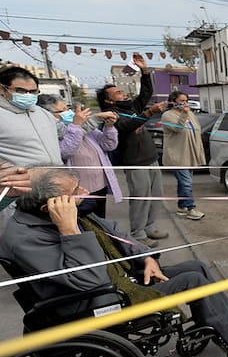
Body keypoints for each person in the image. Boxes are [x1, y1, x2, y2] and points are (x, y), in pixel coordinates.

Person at [0, 167, 228, 357]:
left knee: (196, 267)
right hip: (95, 303)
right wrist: (70, 231)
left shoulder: (58, 214)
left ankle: (226, 319)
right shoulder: (29, 237)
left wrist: (145, 256)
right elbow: (90, 281)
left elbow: (116, 232)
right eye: (75, 191)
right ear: (48, 206)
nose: (85, 191)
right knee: (192, 281)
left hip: (117, 278)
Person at [97, 54, 167, 247]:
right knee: (140, 199)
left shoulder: (132, 106)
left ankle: (150, 227)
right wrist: (150, 112)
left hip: (151, 158)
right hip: (135, 163)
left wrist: (144, 71)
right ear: (110, 101)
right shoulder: (111, 115)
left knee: (156, 196)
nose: (123, 93)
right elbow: (127, 125)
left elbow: (146, 92)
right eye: (118, 93)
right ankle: (138, 234)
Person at [37, 94, 122, 218]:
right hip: (77, 190)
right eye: (61, 111)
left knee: (100, 221)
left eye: (67, 108)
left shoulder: (85, 128)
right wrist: (77, 126)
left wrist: (109, 127)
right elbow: (66, 151)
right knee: (83, 222)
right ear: (47, 116)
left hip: (100, 185)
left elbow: (109, 145)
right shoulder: (52, 133)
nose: (68, 113)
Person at [0, 67, 61, 166]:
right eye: (20, 91)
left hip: (55, 177)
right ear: (2, 89)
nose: (28, 95)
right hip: (21, 179)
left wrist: (85, 122)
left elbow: (65, 133)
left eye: (33, 92)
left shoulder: (42, 113)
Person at [161, 91, 206, 220]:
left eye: (186, 100)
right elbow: (178, 128)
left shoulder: (190, 114)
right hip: (177, 155)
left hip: (190, 153)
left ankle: (182, 207)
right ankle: (191, 208)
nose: (185, 103)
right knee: (186, 183)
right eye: (181, 101)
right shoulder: (167, 115)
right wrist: (184, 114)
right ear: (173, 101)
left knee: (184, 183)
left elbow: (196, 130)